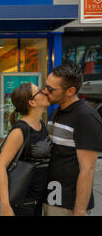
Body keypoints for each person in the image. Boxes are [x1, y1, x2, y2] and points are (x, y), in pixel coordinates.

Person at [42, 61, 102, 216]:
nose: (45, 91)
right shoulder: (56, 112)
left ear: (70, 91)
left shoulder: (85, 117)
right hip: (52, 197)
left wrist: (80, 211)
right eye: (45, 86)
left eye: (50, 89)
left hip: (69, 205)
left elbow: (87, 170)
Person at [0, 82, 52, 216]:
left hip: (37, 199)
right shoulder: (20, 130)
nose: (45, 91)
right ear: (32, 102)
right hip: (24, 202)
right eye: (39, 91)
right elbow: (0, 166)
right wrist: (5, 206)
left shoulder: (40, 124)